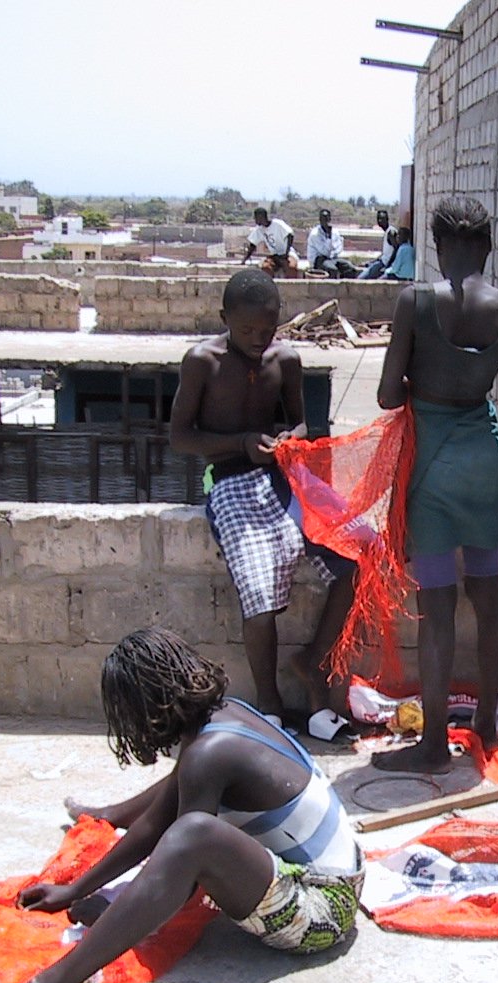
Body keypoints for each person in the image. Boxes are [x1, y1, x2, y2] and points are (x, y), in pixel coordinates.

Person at [0, 627, 363, 983]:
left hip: (322, 915)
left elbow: (181, 862)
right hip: (339, 879)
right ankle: (56, 981)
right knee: (187, 814)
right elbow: (157, 820)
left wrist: (114, 906)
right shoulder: (225, 716)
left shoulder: (208, 753)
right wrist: (76, 888)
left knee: (194, 834)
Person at [371, 196, 498, 773]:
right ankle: (486, 722)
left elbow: (385, 395)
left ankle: (432, 746)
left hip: (431, 462)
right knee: (486, 596)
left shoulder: (415, 301)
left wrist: (423, 381)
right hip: (484, 460)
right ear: (488, 246)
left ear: (436, 244)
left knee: (437, 602)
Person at [167, 268, 355, 735]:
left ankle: (312, 663)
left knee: (355, 558)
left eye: (267, 329)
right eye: (247, 329)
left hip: (281, 476)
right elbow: (180, 437)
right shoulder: (202, 361)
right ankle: (268, 702)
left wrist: (287, 439)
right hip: (229, 479)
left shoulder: (285, 360)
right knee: (258, 584)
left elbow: (302, 424)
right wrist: (241, 443)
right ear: (224, 319)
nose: (258, 338)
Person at [242, 207, 296, 276]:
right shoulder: (259, 229)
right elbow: (252, 245)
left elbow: (290, 235)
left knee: (291, 268)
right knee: (266, 268)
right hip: (275, 256)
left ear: (261, 217)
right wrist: (244, 260)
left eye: (256, 217)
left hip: (287, 254)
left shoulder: (277, 224)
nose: (255, 220)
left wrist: (286, 253)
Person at [307, 209, 357, 278]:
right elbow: (325, 252)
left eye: (327, 218)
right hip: (318, 260)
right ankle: (331, 288)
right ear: (320, 220)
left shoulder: (335, 232)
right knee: (332, 270)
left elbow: (339, 247)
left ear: (330, 219)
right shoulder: (315, 234)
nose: (325, 220)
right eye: (323, 218)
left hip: (332, 257)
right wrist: (329, 236)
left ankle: (345, 287)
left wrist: (334, 252)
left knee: (350, 267)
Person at [358, 209, 396, 279]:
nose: (380, 221)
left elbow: (396, 250)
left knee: (360, 279)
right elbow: (386, 253)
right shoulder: (386, 232)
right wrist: (371, 262)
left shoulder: (391, 232)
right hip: (381, 262)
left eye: (382, 219)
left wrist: (388, 266)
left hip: (384, 264)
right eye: (378, 219)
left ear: (387, 219)